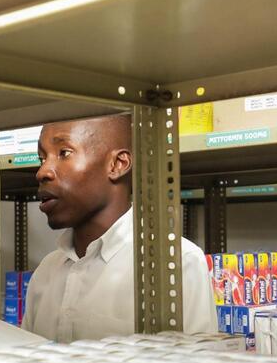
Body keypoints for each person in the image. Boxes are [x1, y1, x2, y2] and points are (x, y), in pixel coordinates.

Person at [21, 114, 216, 342]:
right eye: (41, 158)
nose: (42, 172)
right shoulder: (46, 271)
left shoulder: (175, 263)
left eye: (64, 153)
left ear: (117, 164)